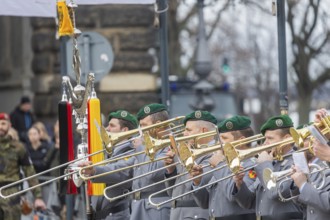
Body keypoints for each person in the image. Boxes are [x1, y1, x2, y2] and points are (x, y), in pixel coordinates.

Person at [232, 114, 304, 220]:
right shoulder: (271, 163)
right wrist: (239, 184)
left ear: (286, 139)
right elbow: (248, 202)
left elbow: (275, 193)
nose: (265, 143)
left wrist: (264, 165)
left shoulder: (296, 162)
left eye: (270, 138)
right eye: (265, 138)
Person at [191, 115, 256, 220]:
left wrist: (219, 165)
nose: (219, 143)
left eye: (224, 138)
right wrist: (197, 182)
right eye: (219, 138)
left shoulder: (251, 164)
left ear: (241, 140)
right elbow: (204, 203)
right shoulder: (224, 164)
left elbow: (235, 196)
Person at [79, 110, 138, 220]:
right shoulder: (108, 152)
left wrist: (94, 171)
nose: (106, 129)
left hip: (116, 215)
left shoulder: (131, 152)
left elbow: (120, 171)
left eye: (112, 126)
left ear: (124, 130)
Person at [164, 110, 217, 220]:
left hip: (196, 214)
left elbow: (195, 186)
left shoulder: (214, 155)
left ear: (203, 131)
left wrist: (183, 157)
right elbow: (171, 192)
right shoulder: (188, 151)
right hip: (177, 213)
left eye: (188, 130)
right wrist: (170, 170)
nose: (184, 134)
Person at [0, 112, 46, 219]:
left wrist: (38, 196)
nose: (0, 127)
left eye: (3, 123)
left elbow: (29, 172)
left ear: (9, 125)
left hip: (11, 192)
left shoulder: (18, 148)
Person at [131, 103, 171, 220]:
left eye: (144, 125)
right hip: (139, 206)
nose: (141, 130)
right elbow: (126, 167)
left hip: (157, 207)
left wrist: (141, 147)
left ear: (158, 125)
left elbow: (151, 173)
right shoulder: (149, 143)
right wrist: (95, 170)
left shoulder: (170, 144)